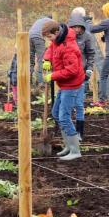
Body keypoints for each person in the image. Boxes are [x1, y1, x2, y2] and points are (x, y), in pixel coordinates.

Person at [41, 20, 85, 161]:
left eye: (50, 36)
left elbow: (72, 70)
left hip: (72, 85)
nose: (49, 40)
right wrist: (47, 60)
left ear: (56, 32)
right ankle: (68, 146)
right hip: (64, 84)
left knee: (64, 117)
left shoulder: (68, 47)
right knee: (56, 113)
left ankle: (75, 150)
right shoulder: (58, 40)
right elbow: (51, 48)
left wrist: (52, 75)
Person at [74, 6, 109, 107]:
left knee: (101, 75)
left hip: (106, 54)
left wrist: (88, 22)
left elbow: (94, 30)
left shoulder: (108, 22)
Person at [64, 11, 96, 140]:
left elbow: (91, 54)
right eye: (74, 27)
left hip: (81, 73)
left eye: (79, 27)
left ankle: (79, 133)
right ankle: (68, 132)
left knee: (79, 103)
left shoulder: (87, 36)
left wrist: (89, 69)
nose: (77, 29)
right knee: (66, 104)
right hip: (67, 73)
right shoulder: (65, 37)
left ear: (82, 26)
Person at [28, 14, 53, 88]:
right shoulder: (51, 21)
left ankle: (29, 81)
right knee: (41, 60)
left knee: (31, 60)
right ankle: (40, 82)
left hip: (29, 37)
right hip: (38, 38)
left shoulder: (39, 20)